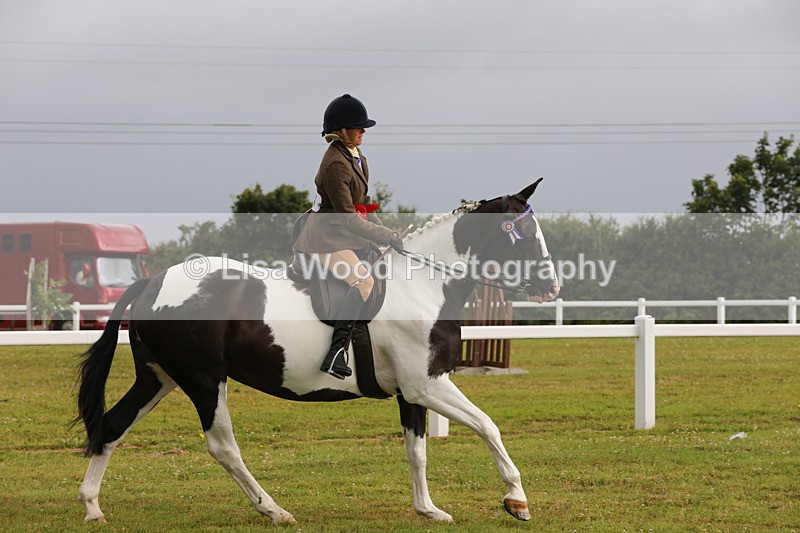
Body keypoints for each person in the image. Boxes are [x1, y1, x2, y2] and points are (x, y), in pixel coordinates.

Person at [293, 94, 403, 379]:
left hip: (345, 235)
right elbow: (347, 218)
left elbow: (364, 204)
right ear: (341, 131)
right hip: (326, 238)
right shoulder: (335, 164)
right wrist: (383, 235)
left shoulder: (356, 157)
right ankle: (336, 352)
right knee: (364, 281)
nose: (363, 131)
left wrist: (386, 234)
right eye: (358, 127)